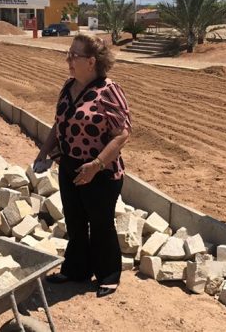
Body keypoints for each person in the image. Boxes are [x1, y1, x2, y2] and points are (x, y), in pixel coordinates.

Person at [34, 34, 131, 298]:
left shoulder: (109, 90)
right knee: (75, 222)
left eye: (73, 55)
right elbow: (59, 123)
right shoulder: (68, 86)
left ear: (91, 62)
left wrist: (96, 165)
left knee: (101, 225)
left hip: (101, 173)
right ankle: (76, 270)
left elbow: (122, 134)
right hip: (69, 168)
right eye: (68, 53)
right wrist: (43, 152)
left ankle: (108, 275)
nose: (68, 59)